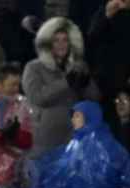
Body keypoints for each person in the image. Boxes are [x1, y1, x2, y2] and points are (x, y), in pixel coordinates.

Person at [22, 17, 100, 159]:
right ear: (47, 43)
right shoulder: (33, 68)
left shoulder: (78, 66)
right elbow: (37, 97)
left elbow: (95, 98)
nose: (61, 44)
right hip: (45, 140)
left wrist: (86, 81)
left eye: (65, 40)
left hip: (74, 137)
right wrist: (66, 82)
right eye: (56, 40)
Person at [36, 100, 130, 188]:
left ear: (89, 117)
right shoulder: (75, 142)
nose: (73, 119)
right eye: (72, 116)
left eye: (77, 116)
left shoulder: (103, 142)